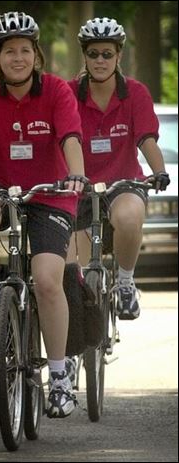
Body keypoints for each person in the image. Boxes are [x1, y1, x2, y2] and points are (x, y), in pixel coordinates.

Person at [0, 11, 86, 418]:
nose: (18, 58)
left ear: (36, 55)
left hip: (52, 194)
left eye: (25, 50)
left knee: (45, 281)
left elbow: (72, 137)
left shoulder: (57, 91)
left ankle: (59, 376)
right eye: (9, 51)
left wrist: (75, 175)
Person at [67, 17, 170, 320]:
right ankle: (74, 354)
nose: (100, 60)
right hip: (80, 188)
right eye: (93, 54)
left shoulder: (135, 92)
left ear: (119, 56)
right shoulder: (69, 93)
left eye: (107, 54)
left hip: (123, 184)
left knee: (128, 216)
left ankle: (125, 283)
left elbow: (147, 138)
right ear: (84, 56)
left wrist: (159, 171)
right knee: (73, 276)